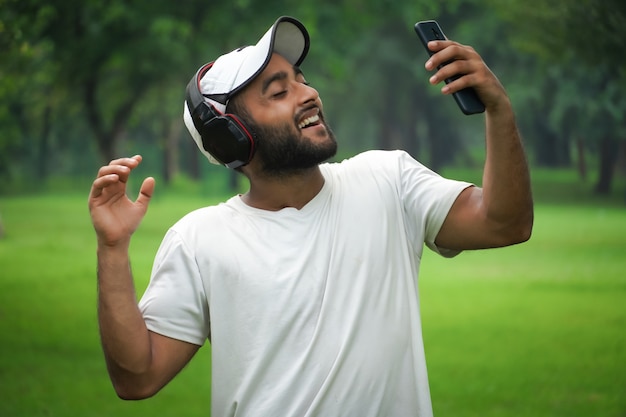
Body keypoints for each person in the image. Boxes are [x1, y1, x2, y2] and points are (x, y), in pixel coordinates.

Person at [88, 16, 533, 417]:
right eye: (280, 92)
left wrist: (499, 109)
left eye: (301, 80)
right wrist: (112, 249)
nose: (309, 94)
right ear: (231, 138)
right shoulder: (199, 239)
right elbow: (136, 377)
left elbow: (505, 223)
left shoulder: (388, 180)